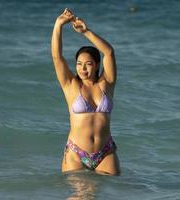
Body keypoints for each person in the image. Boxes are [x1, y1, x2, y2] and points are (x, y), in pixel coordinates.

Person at [51, 8, 120, 176]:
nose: (82, 68)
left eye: (88, 64)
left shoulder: (107, 84)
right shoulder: (71, 85)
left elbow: (109, 52)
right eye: (79, 63)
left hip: (105, 152)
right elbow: (57, 57)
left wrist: (86, 31)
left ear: (97, 65)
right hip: (76, 152)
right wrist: (58, 24)